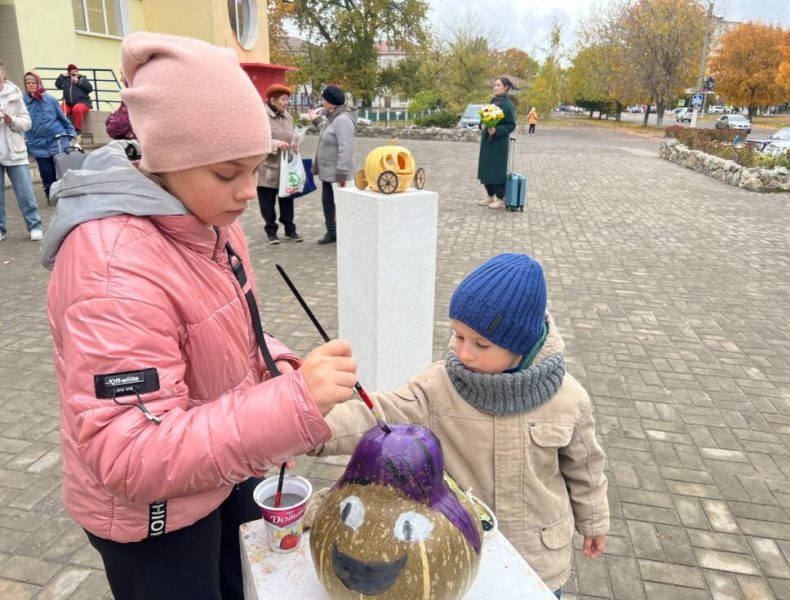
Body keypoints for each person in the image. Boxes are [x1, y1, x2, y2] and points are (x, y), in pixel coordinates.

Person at [40, 32, 358, 600]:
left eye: (254, 169)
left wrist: (281, 365)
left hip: (216, 473)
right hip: (151, 519)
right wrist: (293, 403)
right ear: (166, 157)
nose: (244, 192)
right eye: (227, 172)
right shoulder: (111, 269)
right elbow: (129, 451)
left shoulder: (206, 216)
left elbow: (227, 327)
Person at [316, 253, 610, 599]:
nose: (463, 353)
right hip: (462, 551)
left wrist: (594, 522)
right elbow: (379, 412)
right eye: (458, 336)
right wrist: (307, 428)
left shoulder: (568, 399)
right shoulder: (439, 386)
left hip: (541, 558)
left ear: (521, 344)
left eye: (480, 344)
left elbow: (586, 470)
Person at [307, 85, 356, 245]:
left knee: (339, 205)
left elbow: (346, 148)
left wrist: (342, 173)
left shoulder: (342, 119)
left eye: (324, 99)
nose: (322, 102)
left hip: (337, 174)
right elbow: (326, 131)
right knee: (328, 204)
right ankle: (332, 232)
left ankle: (342, 233)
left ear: (330, 102)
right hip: (328, 173)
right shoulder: (333, 117)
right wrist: (316, 119)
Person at [0, 59, 42, 242]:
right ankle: (1, 229)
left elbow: (27, 122)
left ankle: (34, 225)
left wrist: (12, 121)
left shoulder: (15, 95)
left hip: (14, 151)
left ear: (3, 73)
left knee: (25, 192)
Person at [257, 83, 302, 244]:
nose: (286, 103)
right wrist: (276, 144)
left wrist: (296, 143)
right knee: (267, 203)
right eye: (283, 99)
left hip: (286, 168)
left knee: (287, 200)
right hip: (267, 169)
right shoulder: (261, 116)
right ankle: (271, 230)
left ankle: (290, 229)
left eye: (287, 99)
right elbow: (257, 140)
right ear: (273, 100)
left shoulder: (288, 117)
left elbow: (293, 135)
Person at [23, 71, 78, 201]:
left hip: (57, 141)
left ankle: (66, 195)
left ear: (38, 83)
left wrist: (72, 133)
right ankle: (50, 195)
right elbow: (22, 122)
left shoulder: (50, 99)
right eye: (28, 83)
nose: (31, 85)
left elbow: (62, 117)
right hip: (38, 145)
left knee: (62, 170)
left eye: (33, 83)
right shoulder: (23, 102)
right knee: (46, 174)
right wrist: (24, 138)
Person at [477, 77, 516, 209]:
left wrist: (496, 130)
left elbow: (511, 125)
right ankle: (490, 196)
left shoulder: (508, 105)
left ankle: (500, 198)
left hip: (499, 143)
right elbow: (485, 116)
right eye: (494, 85)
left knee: (497, 170)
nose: (495, 87)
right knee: (486, 168)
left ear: (505, 88)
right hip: (487, 141)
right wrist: (482, 124)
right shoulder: (492, 101)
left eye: (498, 85)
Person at [55, 63, 92, 134]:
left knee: (77, 109)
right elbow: (57, 85)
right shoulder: (65, 79)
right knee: (59, 111)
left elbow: (89, 89)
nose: (75, 74)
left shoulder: (82, 78)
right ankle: (61, 129)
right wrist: (62, 76)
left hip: (82, 102)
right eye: (72, 73)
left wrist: (78, 82)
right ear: (69, 73)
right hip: (68, 103)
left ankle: (78, 129)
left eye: (76, 72)